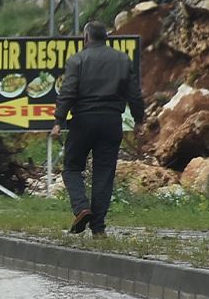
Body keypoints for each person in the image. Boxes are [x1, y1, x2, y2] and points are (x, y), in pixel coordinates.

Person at [51, 20, 146, 237]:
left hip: (83, 121)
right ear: (107, 38)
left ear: (86, 38)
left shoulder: (78, 60)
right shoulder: (122, 59)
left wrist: (58, 121)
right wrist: (139, 120)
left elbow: (68, 93)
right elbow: (134, 93)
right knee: (104, 173)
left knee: (72, 168)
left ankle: (82, 208)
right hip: (112, 122)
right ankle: (99, 228)